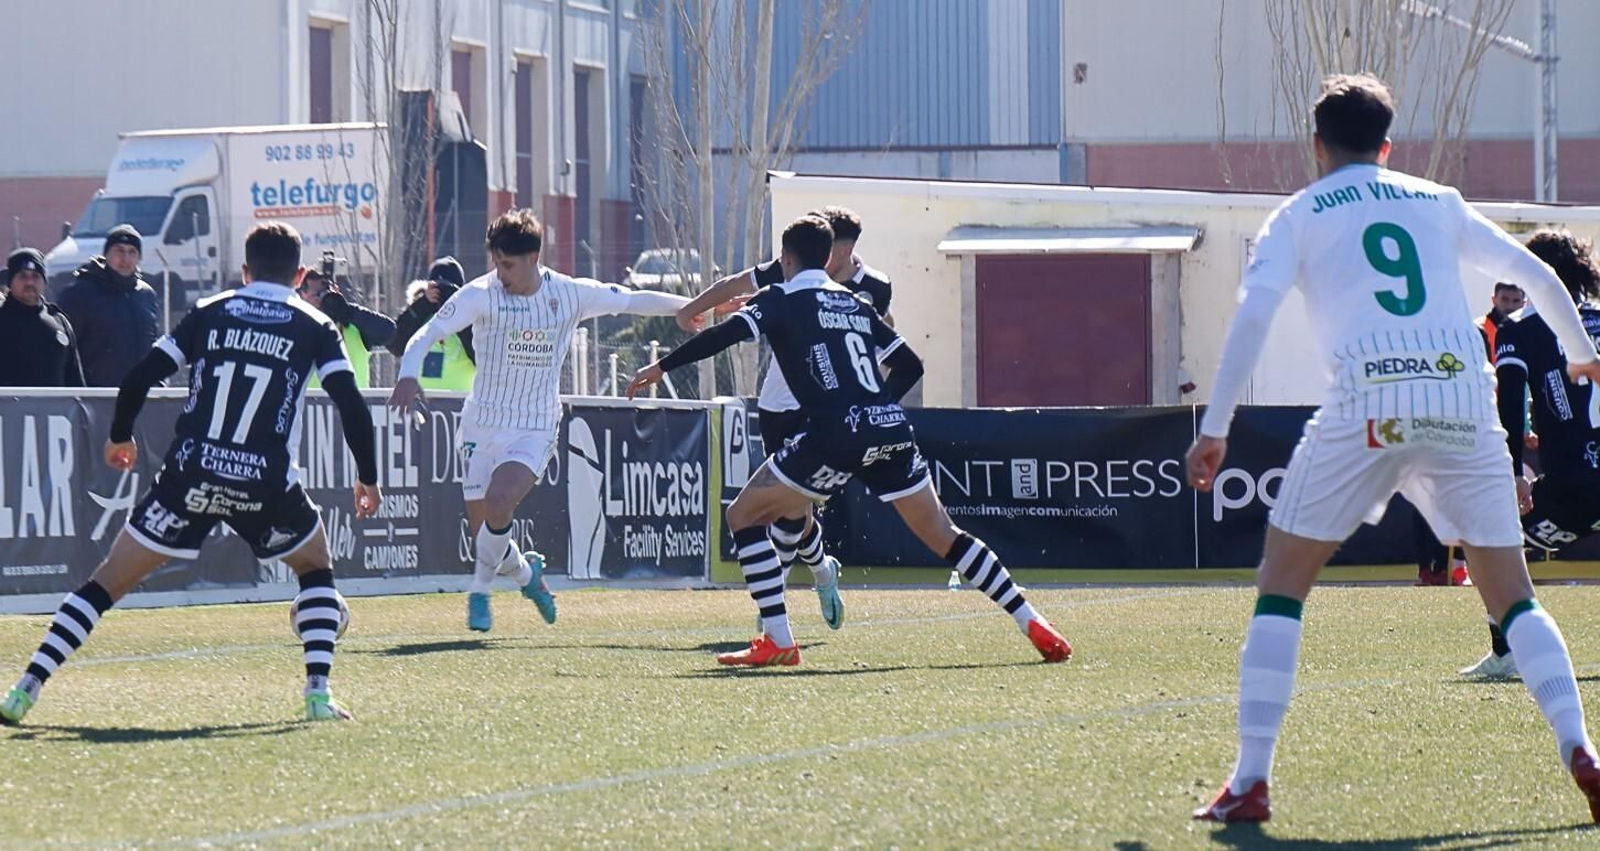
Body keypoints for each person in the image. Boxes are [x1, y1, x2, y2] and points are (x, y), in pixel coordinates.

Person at [1185, 74, 1600, 823]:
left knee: (1282, 581)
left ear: (1317, 146)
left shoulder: (1300, 213)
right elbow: (1536, 273)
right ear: (1387, 146)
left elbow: (1253, 316)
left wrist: (1215, 427)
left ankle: (1251, 778)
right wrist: (1578, 352)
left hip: (1369, 400)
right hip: (1460, 399)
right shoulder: (1436, 201)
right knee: (1514, 597)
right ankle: (1581, 747)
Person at [629, 214, 1071, 667]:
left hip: (835, 433)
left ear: (784, 258)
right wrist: (875, 406)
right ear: (828, 258)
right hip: (888, 429)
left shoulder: (780, 298)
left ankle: (778, 639)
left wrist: (660, 368)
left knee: (744, 516)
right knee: (945, 536)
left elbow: (721, 337)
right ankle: (1030, 618)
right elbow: (911, 365)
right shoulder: (855, 302)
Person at [0, 222, 381, 725]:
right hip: (264, 480)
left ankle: (25, 688)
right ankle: (317, 693)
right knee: (315, 568)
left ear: (244, 272)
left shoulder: (209, 311)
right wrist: (368, 476)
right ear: (300, 274)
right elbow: (351, 404)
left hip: (191, 474)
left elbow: (140, 376)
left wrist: (119, 435)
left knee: (104, 584)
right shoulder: (314, 325)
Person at [388, 210, 696, 632]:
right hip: (481, 423)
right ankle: (528, 575)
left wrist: (689, 307)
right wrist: (408, 374)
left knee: (499, 505)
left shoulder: (569, 294)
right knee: (487, 537)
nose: (500, 274)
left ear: (534, 257)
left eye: (508, 265)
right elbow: (423, 336)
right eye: (496, 263)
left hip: (534, 426)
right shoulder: (481, 294)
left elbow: (629, 298)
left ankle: (478, 591)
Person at [673, 206, 892, 630]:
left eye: (842, 246)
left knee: (793, 507)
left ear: (848, 249)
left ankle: (772, 613)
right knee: (791, 508)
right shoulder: (791, 266)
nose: (835, 254)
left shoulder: (873, 288)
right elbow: (734, 284)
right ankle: (823, 572)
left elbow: (880, 339)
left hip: (828, 411)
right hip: (778, 404)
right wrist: (691, 310)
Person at [1459, 231, 1600, 680]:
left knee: (1483, 537)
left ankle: (1507, 651)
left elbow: (1509, 405)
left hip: (1574, 491)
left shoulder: (1521, 328)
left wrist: (1512, 470)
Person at [56, 224, 161, 387]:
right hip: (96, 397)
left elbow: (151, 345)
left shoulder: (146, 295)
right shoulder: (81, 293)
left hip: (139, 397)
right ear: (106, 254)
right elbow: (64, 350)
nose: (125, 259)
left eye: (132, 252)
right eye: (119, 250)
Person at [297, 266, 396, 388]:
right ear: (302, 296)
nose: (322, 299)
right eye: (317, 295)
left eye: (325, 293)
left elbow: (389, 332)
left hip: (354, 404)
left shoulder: (353, 325)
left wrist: (347, 310)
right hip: (312, 404)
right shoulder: (297, 327)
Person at [388, 257, 477, 391]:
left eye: (448, 290)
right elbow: (395, 346)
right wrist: (422, 304)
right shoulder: (419, 314)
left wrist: (457, 310)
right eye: (438, 287)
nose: (442, 293)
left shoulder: (470, 317)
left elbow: (481, 356)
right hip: (421, 402)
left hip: (461, 401)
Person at [0, 248, 85, 387]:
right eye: (22, 276)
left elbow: (75, 381)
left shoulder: (59, 322)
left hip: (55, 409)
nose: (29, 283)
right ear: (10, 282)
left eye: (35, 276)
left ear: (44, 281)